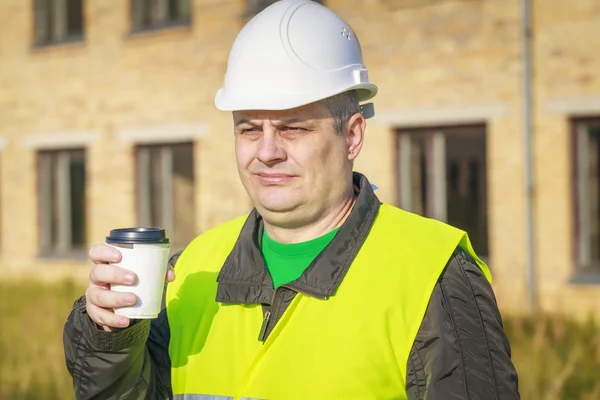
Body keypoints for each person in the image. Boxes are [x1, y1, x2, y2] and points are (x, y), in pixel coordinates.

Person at [63, 0, 520, 398]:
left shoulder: (433, 274)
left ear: (352, 135)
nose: (266, 152)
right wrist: (109, 336)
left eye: (293, 128)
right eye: (249, 129)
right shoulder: (192, 269)